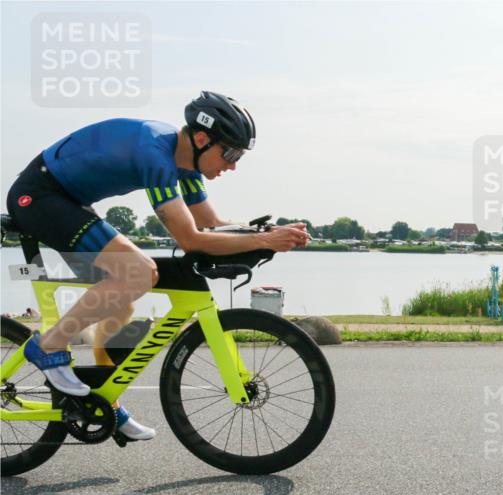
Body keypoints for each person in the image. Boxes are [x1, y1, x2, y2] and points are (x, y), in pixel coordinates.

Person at [5, 91, 309, 441]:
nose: (233, 165)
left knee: (122, 297)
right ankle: (48, 346)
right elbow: (190, 239)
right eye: (231, 153)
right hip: (38, 197)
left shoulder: (185, 164)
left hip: (69, 201)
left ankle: (103, 400)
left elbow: (210, 224)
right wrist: (264, 241)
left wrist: (266, 232)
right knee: (139, 272)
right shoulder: (155, 153)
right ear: (201, 139)